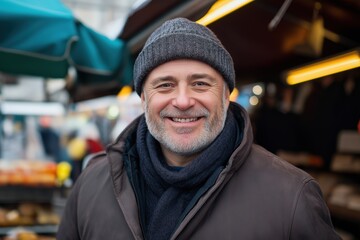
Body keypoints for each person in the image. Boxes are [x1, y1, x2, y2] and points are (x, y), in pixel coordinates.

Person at [57, 18, 340, 240]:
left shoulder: (291, 196)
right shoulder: (92, 183)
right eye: (165, 85)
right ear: (143, 98)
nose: (182, 101)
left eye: (200, 84)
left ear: (226, 95)